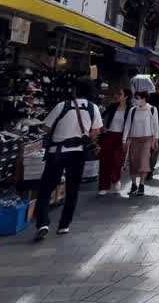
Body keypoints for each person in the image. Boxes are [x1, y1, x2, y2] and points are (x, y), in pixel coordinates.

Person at [34, 78, 102, 240]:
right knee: (72, 189)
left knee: (46, 188)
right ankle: (64, 224)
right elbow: (96, 132)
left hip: (56, 152)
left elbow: (45, 127)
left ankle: (43, 222)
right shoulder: (93, 108)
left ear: (75, 90)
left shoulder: (62, 106)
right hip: (77, 153)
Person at [123, 91, 159, 196]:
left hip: (147, 138)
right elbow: (127, 125)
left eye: (138, 98)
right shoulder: (133, 110)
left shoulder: (152, 109)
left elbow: (155, 125)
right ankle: (134, 184)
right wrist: (124, 139)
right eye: (135, 98)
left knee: (144, 161)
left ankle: (142, 185)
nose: (136, 100)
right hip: (134, 138)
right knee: (133, 162)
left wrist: (155, 139)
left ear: (144, 98)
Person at [97, 88, 128, 196]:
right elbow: (100, 117)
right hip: (109, 135)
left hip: (122, 137)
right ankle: (103, 186)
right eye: (117, 94)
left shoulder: (130, 109)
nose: (118, 96)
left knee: (117, 160)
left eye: (120, 94)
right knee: (105, 160)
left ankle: (115, 179)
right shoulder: (112, 106)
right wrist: (102, 127)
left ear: (126, 97)